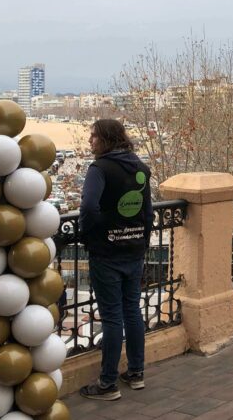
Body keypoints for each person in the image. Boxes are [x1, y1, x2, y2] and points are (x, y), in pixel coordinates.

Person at [79, 119, 153, 401]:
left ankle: (107, 383)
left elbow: (88, 207)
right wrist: (141, 242)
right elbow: (147, 214)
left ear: (106, 139)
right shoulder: (140, 168)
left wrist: (90, 233)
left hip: (107, 252)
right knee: (132, 311)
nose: (90, 141)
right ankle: (136, 373)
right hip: (133, 250)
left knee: (112, 318)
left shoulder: (100, 169)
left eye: (94, 136)